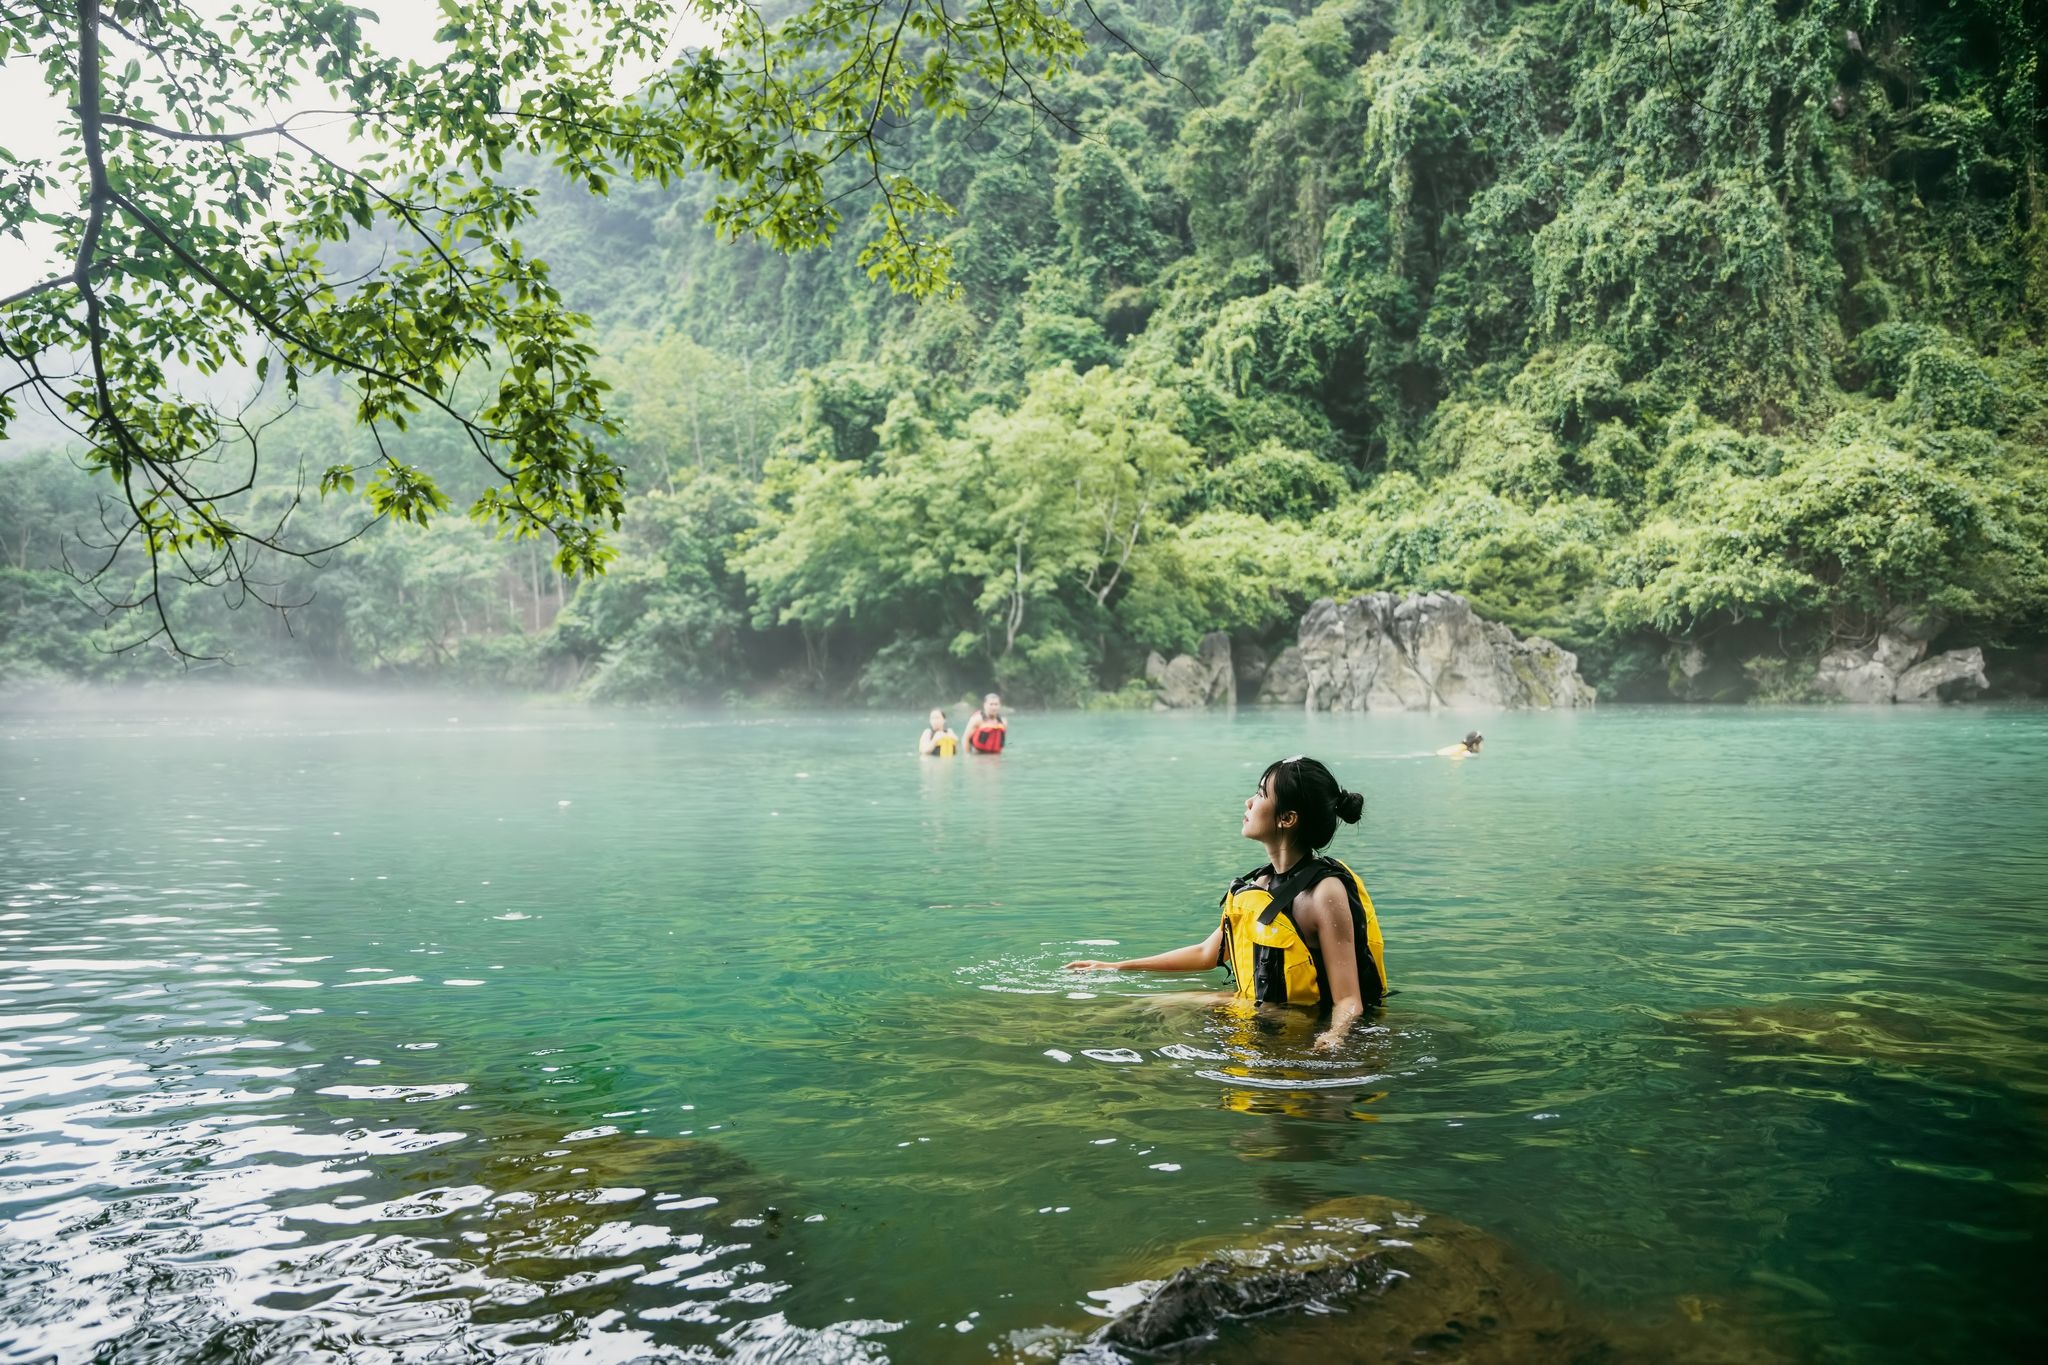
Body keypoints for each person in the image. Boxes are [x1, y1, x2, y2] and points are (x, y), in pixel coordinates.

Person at [1064, 756, 1386, 1052]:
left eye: (1261, 794)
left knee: (1161, 1008)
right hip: (1265, 1014)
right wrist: (1116, 967)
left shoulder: (1325, 892)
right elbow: (1207, 953)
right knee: (1149, 1004)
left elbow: (1348, 999)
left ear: (1287, 818)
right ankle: (1080, 1040)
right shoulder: (1261, 886)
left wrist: (1335, 1036)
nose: (1249, 802)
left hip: (1305, 1024)